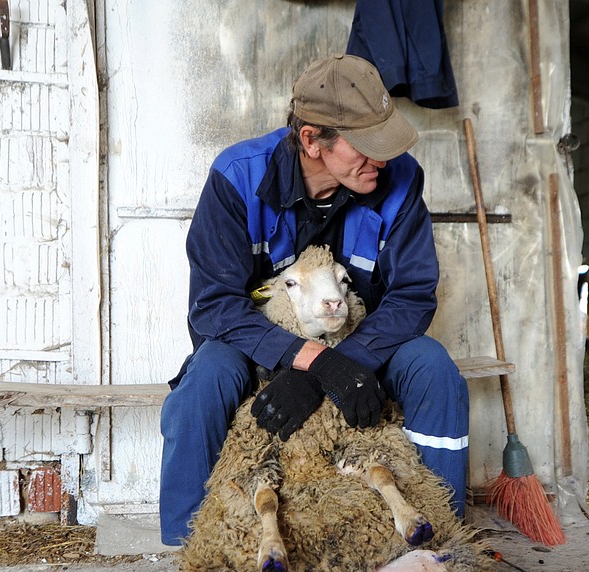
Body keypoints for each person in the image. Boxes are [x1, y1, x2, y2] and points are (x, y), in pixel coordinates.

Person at [159, 54, 469, 546]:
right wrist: (311, 363)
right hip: (257, 350)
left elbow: (411, 296)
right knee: (207, 378)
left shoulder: (401, 180)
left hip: (362, 344)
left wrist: (342, 362)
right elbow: (214, 305)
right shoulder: (236, 178)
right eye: (366, 147)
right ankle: (191, 547)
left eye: (384, 142)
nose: (382, 160)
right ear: (311, 140)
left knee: (432, 366)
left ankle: (440, 533)